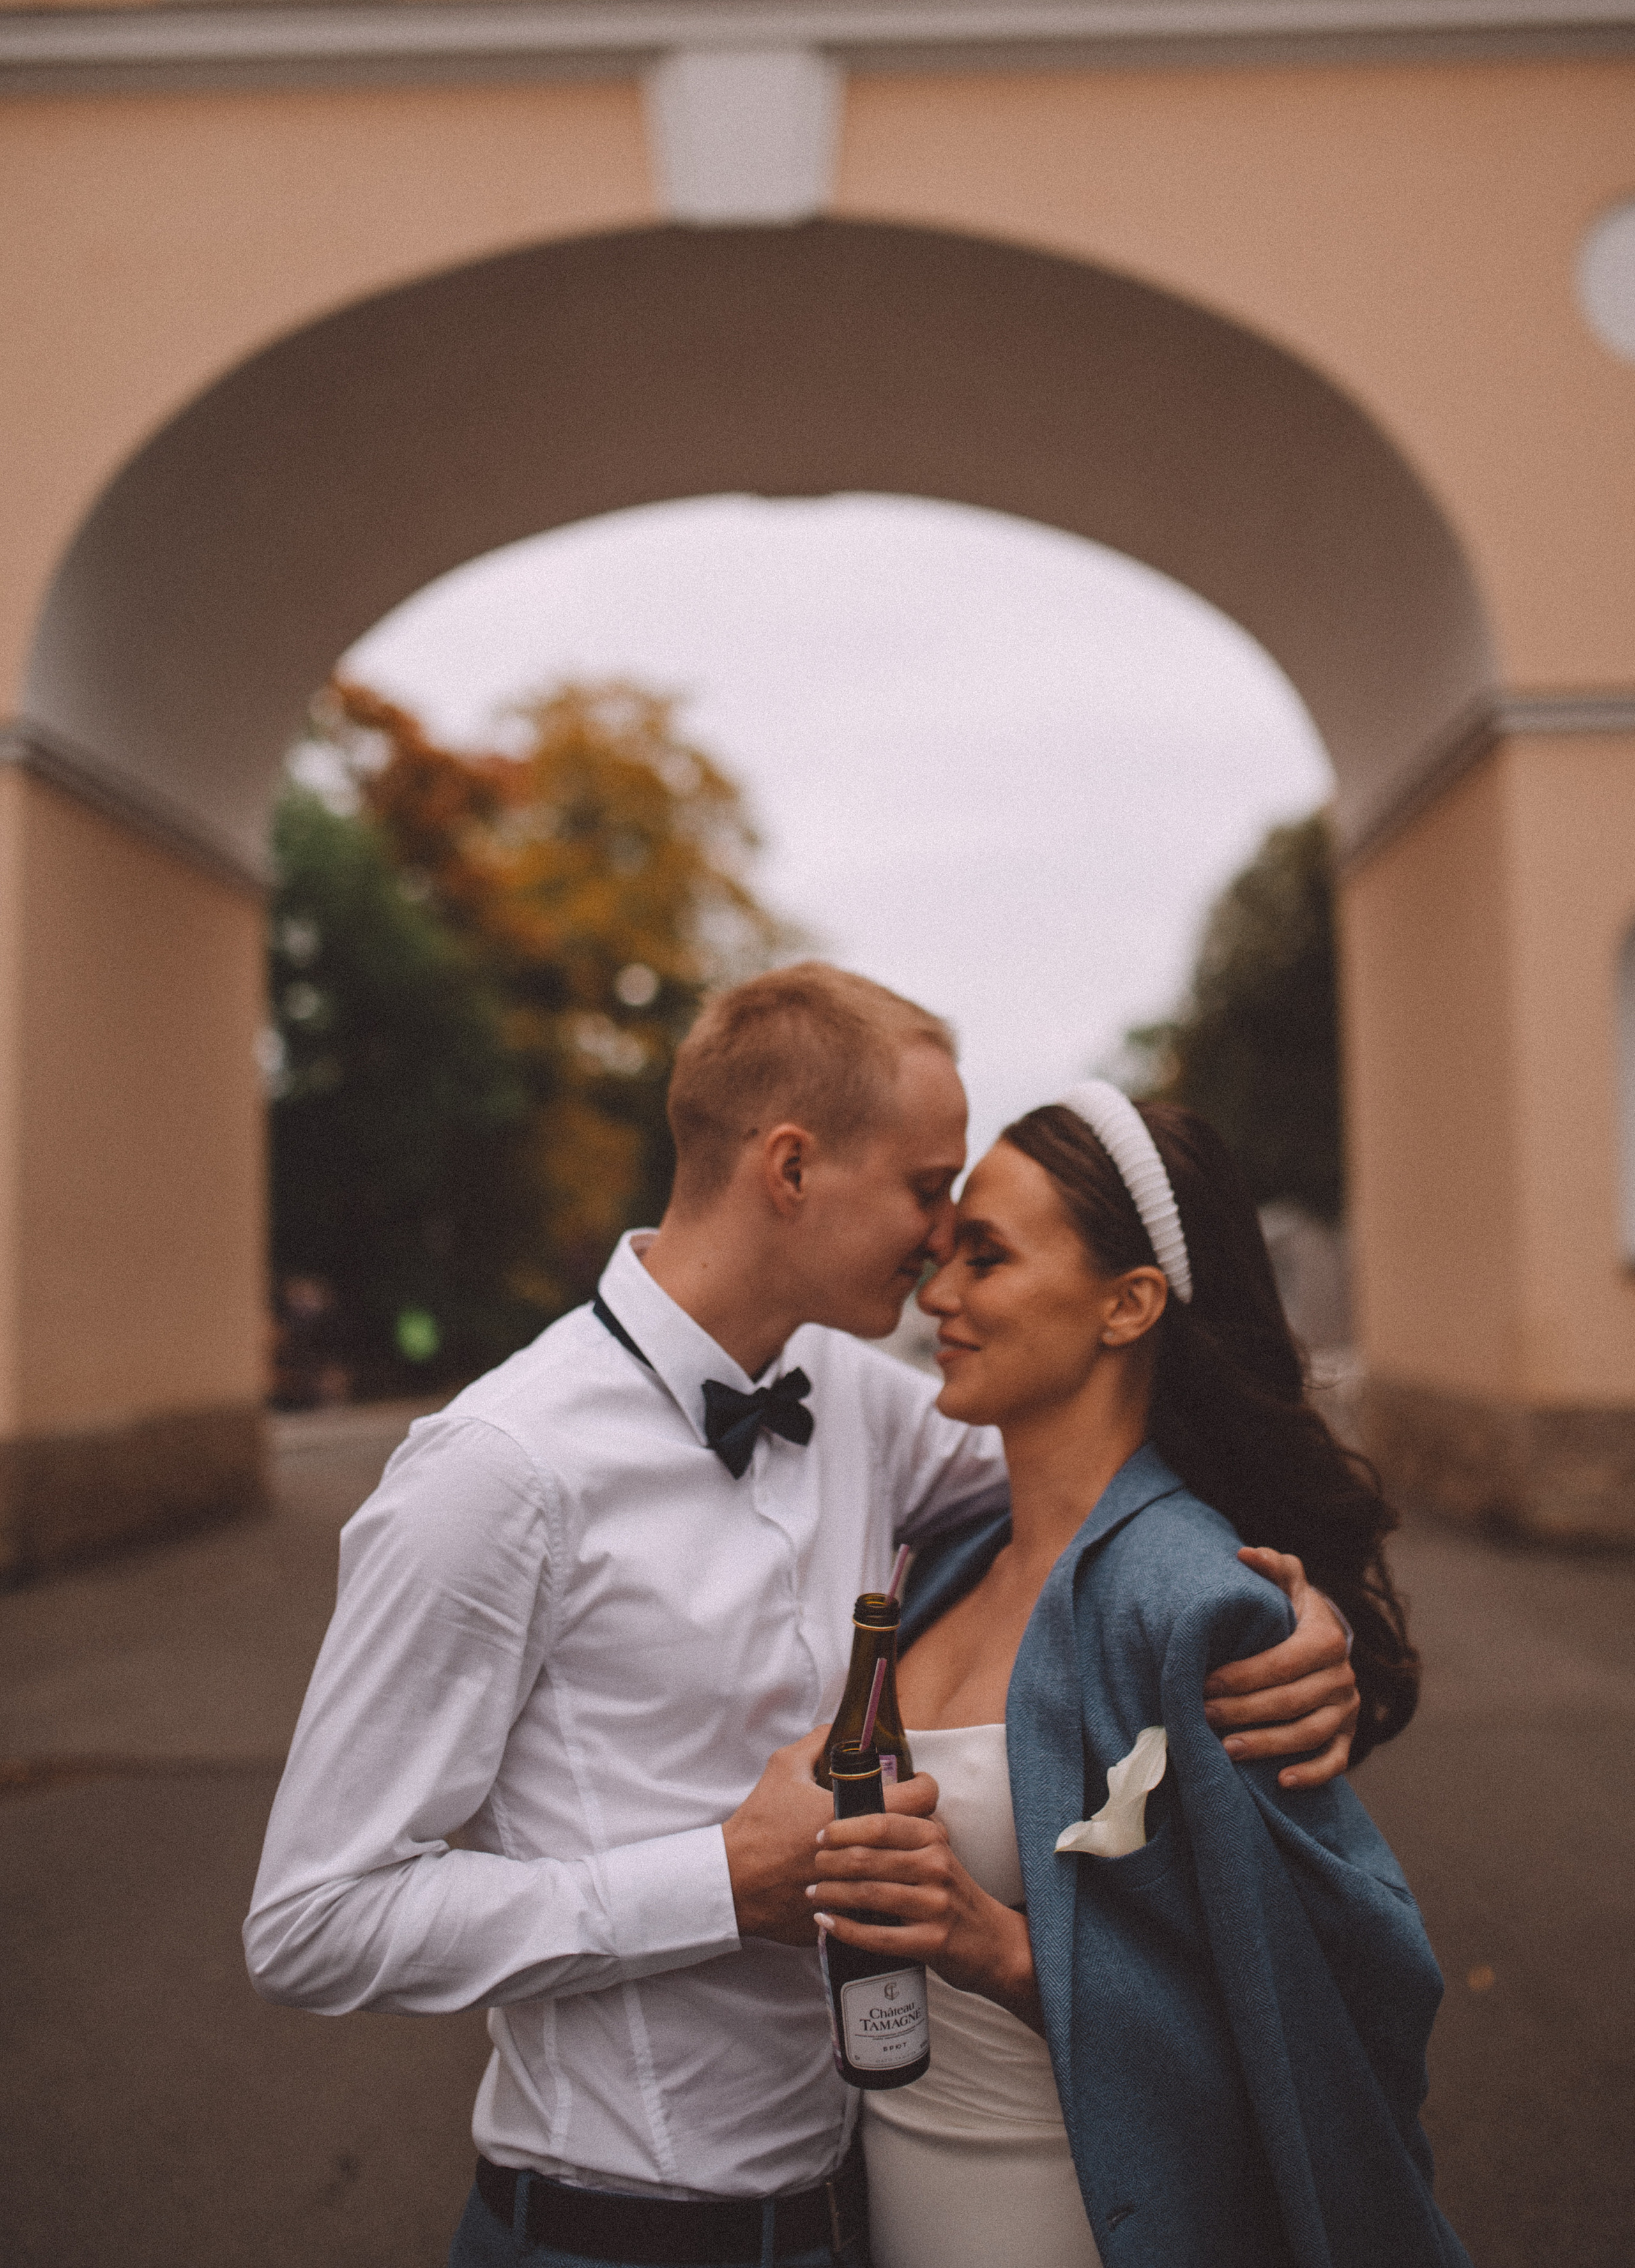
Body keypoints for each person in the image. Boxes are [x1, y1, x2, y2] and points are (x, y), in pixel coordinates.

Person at [245, 971, 1364, 2268]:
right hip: (610, 2235)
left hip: (862, 2215)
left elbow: (1110, 1472)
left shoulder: (862, 1396)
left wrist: (1287, 1610)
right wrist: (719, 1880)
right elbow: (313, 1921)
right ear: (790, 1167)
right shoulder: (496, 1473)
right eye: (926, 1186)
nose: (943, 1234)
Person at [809, 1082, 1467, 2268]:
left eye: (987, 1257)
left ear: (1129, 1303)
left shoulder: (1199, 1600)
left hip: (1087, 2211)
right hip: (899, 2188)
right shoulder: (941, 1563)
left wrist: (996, 1943)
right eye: (946, 1252)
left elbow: (1327, 2010)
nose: (938, 1293)